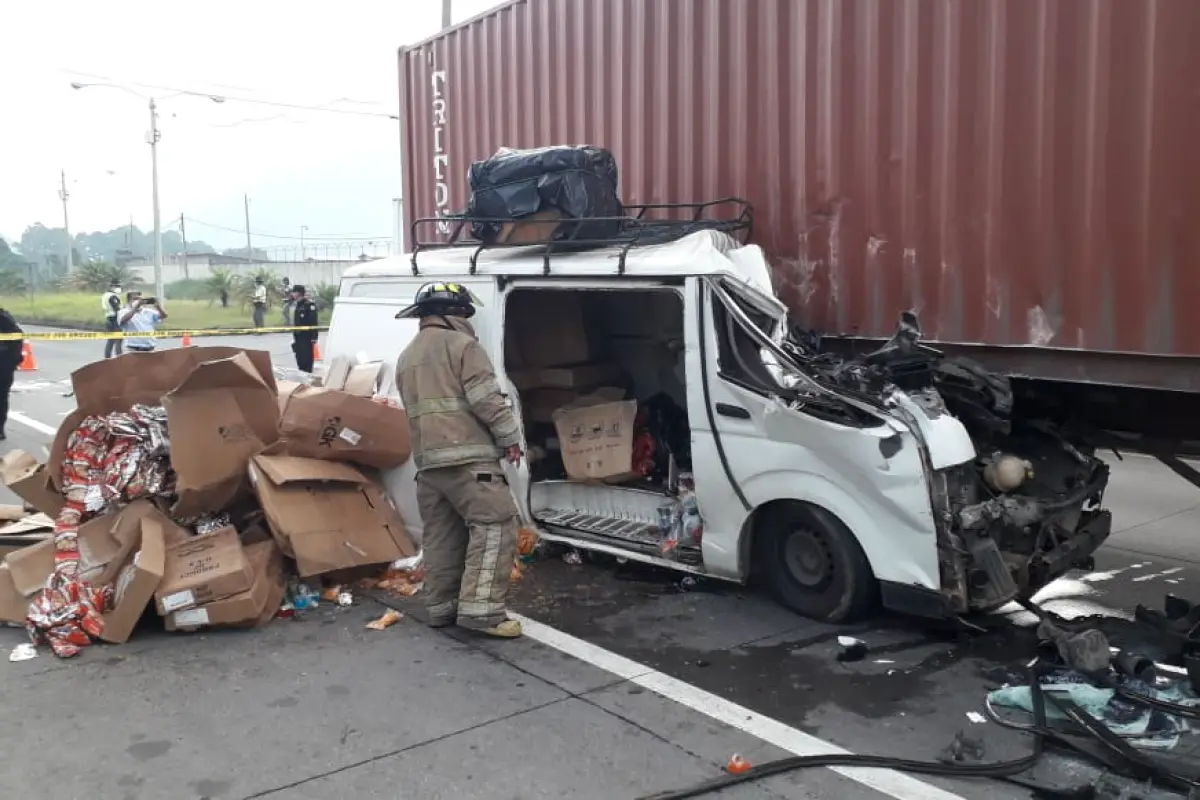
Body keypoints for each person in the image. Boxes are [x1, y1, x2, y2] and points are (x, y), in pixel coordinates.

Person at [394, 282, 524, 638]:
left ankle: (442, 608)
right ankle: (482, 612)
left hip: (429, 468)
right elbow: (486, 400)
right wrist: (510, 438)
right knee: (496, 526)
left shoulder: (407, 357)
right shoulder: (464, 346)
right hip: (470, 462)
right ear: (454, 315)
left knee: (442, 537)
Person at [0, 307, 23, 441]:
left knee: (1, 397)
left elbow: (17, 338)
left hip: (3, 365)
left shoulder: (3, 318)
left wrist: (12, 362)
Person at [289, 285, 319, 372]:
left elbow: (314, 322)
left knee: (307, 359)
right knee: (299, 358)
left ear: (298, 293)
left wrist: (314, 337)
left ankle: (308, 377)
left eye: (294, 292)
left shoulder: (309, 305)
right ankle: (302, 377)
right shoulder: (297, 305)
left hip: (306, 337)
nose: (292, 294)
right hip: (298, 336)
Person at [101, 279, 123, 359]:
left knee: (110, 340)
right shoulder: (112, 296)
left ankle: (107, 359)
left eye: (119, 286)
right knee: (118, 341)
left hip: (108, 318)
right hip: (115, 319)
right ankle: (120, 359)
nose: (119, 288)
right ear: (112, 286)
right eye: (117, 286)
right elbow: (117, 309)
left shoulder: (105, 295)